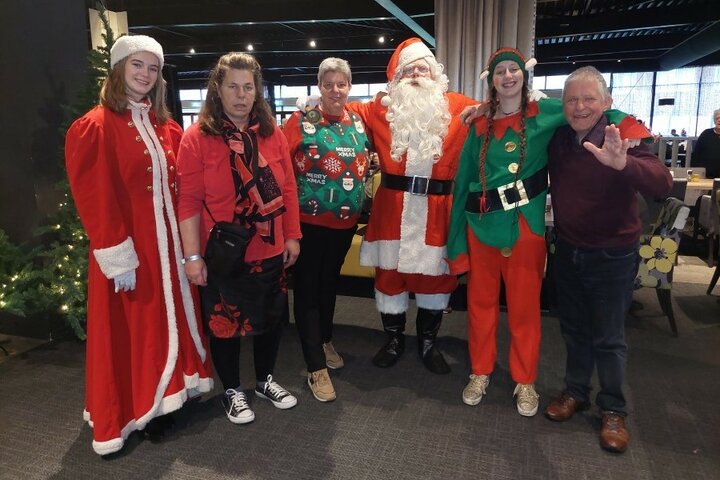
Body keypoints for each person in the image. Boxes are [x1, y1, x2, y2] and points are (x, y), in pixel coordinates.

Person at [64, 35, 213, 455]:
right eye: (137, 66)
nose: (146, 75)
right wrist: (118, 255)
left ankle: (174, 394)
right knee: (137, 330)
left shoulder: (167, 126)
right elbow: (94, 198)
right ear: (119, 70)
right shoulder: (93, 126)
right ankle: (141, 408)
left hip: (168, 249)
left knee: (173, 321)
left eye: (153, 68)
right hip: (132, 253)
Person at [544, 66, 672, 453]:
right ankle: (576, 391)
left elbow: (662, 182)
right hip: (567, 249)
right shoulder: (559, 139)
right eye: (571, 99)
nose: (579, 107)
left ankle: (613, 408)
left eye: (588, 99)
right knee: (573, 329)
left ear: (607, 103)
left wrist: (623, 164)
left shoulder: (623, 136)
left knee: (609, 338)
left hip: (613, 255)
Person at [177, 52, 301, 425]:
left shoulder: (272, 134)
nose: (241, 95)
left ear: (257, 92)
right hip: (223, 253)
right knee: (225, 324)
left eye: (248, 87)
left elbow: (290, 189)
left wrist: (292, 236)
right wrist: (192, 257)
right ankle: (231, 389)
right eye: (232, 86)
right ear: (217, 89)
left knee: (270, 318)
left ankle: (264, 380)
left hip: (270, 245)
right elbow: (188, 202)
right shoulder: (197, 139)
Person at [342, 38, 478, 374]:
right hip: (392, 211)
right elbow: (343, 111)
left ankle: (428, 343)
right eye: (409, 69)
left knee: (435, 281)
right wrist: (316, 105)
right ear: (397, 77)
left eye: (422, 68)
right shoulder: (380, 109)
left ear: (435, 75)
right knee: (390, 278)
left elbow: (494, 114)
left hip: (437, 212)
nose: (416, 74)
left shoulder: (459, 107)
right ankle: (394, 340)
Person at [447, 48, 568, 416]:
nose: (508, 76)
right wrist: (455, 243)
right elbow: (463, 182)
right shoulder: (478, 125)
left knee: (525, 311)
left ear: (524, 74)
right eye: (500, 72)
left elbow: (588, 109)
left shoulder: (545, 113)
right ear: (492, 80)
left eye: (514, 69)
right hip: (482, 229)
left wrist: (626, 126)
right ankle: (480, 371)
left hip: (525, 232)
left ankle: (525, 379)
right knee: (480, 307)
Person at [283, 57, 371, 402]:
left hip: (345, 224)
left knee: (329, 284)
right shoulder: (301, 120)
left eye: (342, 84)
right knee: (306, 289)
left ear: (349, 87)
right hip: (308, 223)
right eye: (329, 84)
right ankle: (315, 367)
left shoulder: (358, 122)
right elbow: (280, 165)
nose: (335, 90)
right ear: (319, 87)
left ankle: (324, 339)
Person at [692, 109, 720, 178]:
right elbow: (696, 154)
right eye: (717, 118)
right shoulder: (706, 134)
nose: (719, 120)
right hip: (706, 174)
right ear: (714, 121)